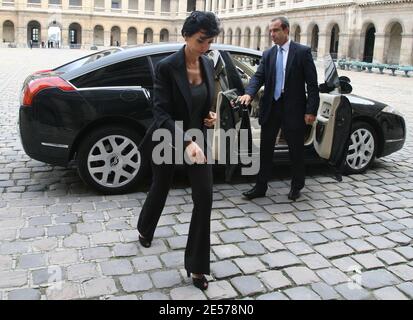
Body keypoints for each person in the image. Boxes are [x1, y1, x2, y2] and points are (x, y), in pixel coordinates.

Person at [137, 11, 220, 291]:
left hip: (198, 139)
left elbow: (205, 102)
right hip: (169, 138)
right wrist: (186, 142)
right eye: (201, 41)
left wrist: (210, 117)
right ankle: (144, 228)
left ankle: (197, 267)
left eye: (210, 41)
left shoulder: (207, 64)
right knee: (161, 185)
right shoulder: (166, 67)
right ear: (185, 36)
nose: (206, 47)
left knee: (205, 198)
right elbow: (160, 113)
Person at [239, 16, 320, 201]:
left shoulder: (302, 52)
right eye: (270, 31)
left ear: (286, 30)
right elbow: (258, 77)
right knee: (266, 149)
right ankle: (260, 187)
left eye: (275, 30)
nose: (272, 34)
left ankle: (296, 187)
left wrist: (311, 111)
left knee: (295, 149)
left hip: (294, 109)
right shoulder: (268, 54)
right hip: (271, 107)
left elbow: (312, 85)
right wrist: (249, 94)